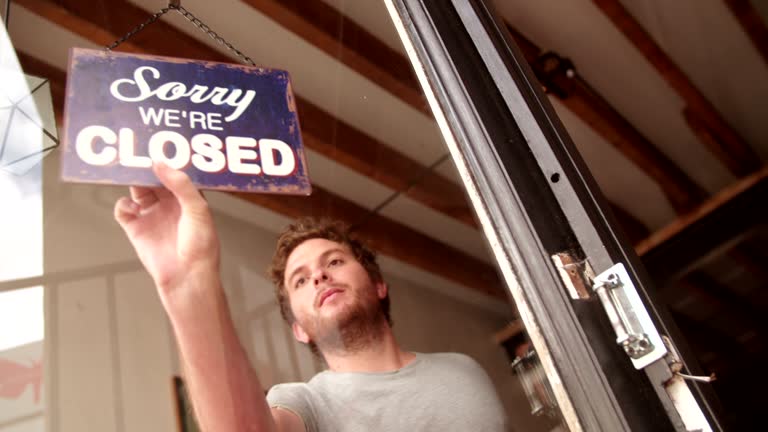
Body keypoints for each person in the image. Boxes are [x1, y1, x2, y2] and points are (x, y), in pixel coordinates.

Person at [114, 163, 509, 432]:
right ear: (299, 329)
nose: (319, 275)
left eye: (334, 261)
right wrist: (189, 283)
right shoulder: (306, 403)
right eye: (300, 281)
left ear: (378, 284)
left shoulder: (464, 370)